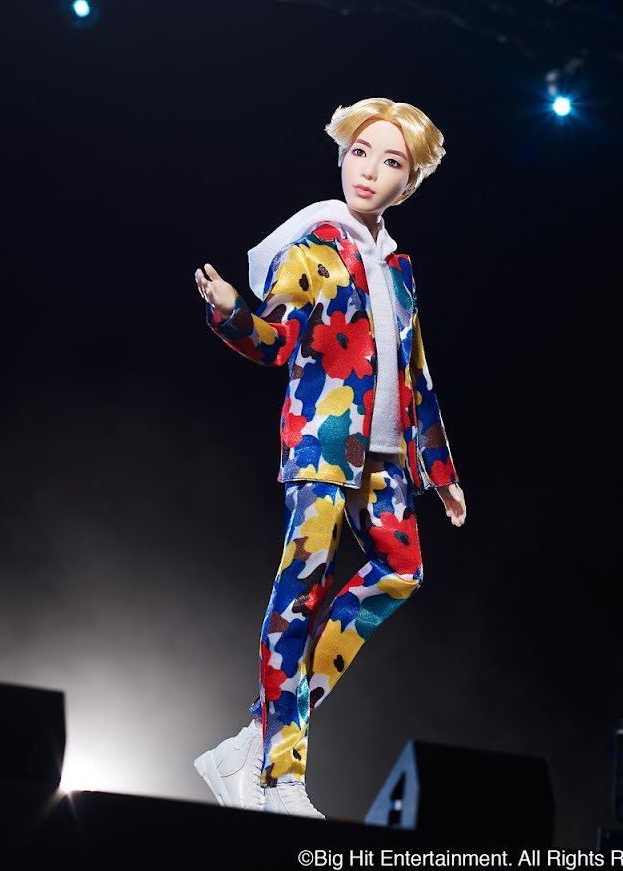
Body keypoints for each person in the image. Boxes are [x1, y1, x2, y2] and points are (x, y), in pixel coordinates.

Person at [192, 97, 466, 820]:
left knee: (401, 572)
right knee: (299, 600)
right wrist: (229, 310)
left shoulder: (397, 268)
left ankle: (255, 737)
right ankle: (280, 776)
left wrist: (440, 471)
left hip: (384, 462)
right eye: (359, 153)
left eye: (390, 161)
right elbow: (273, 342)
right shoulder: (312, 249)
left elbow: (416, 373)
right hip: (322, 448)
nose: (369, 171)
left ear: (409, 182)